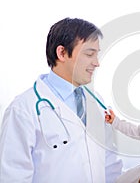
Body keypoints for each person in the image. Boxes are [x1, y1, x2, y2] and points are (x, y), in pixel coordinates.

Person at [0, 17, 123, 183]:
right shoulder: (23, 109)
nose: (96, 63)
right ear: (62, 53)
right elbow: (13, 176)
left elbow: (110, 166)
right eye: (89, 54)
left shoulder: (97, 103)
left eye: (96, 54)